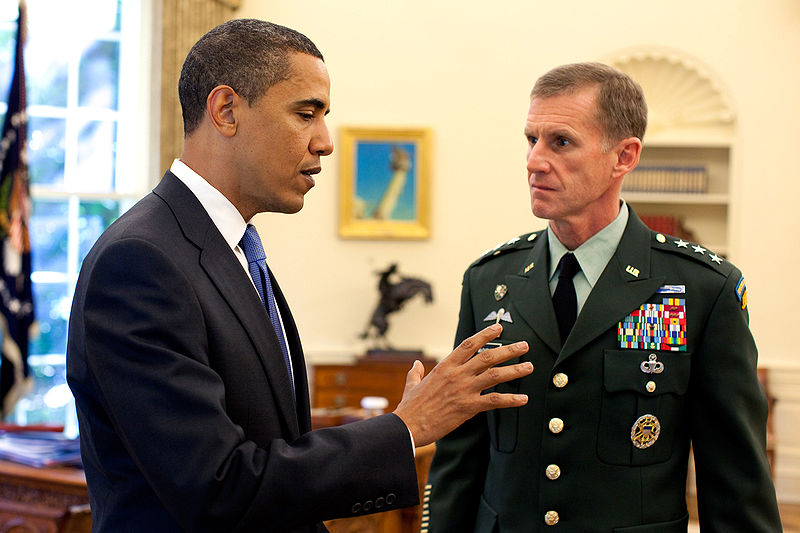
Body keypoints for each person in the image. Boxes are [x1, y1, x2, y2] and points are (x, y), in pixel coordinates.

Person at [66, 19, 533, 533]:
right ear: (226, 111)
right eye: (305, 114)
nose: (325, 142)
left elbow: (273, 449)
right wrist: (404, 428)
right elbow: (218, 488)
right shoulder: (141, 261)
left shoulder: (231, 248)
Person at [425, 62, 782, 532]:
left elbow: (735, 482)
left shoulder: (700, 289)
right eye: (531, 140)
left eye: (561, 142)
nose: (534, 161)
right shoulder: (491, 280)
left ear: (624, 156)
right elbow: (461, 457)